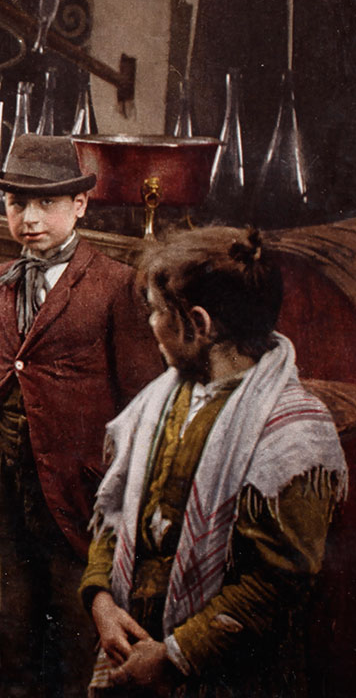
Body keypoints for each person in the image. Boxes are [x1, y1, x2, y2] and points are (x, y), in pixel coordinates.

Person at [81, 227, 347, 696]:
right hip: (136, 650)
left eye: (158, 312)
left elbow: (278, 582)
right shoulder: (159, 400)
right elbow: (115, 515)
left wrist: (174, 656)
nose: (151, 325)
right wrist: (101, 599)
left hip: (228, 676)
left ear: (198, 324)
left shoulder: (293, 436)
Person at [0, 134, 164, 698]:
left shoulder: (114, 284)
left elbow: (143, 399)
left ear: (80, 205)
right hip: (6, 481)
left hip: (80, 494)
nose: (29, 219)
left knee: (74, 633)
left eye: (46, 203)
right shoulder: (1, 279)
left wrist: (116, 486)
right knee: (14, 628)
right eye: (16, 203)